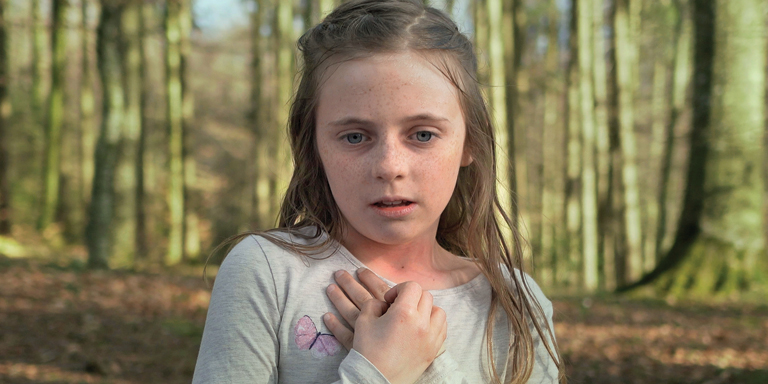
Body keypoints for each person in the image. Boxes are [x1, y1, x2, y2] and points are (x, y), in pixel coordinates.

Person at [191, 0, 564, 383]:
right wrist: (377, 373)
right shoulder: (267, 272)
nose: (390, 166)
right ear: (313, 145)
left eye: (422, 135)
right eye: (355, 136)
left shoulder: (517, 304)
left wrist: (426, 369)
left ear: (470, 141)